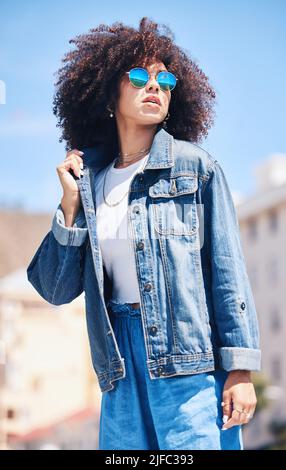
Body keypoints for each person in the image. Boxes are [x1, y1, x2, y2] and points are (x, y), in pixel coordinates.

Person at [27, 17, 261, 450]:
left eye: (164, 80)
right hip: (117, 368)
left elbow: (228, 272)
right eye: (138, 76)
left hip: (186, 361)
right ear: (108, 95)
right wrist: (69, 204)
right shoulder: (89, 182)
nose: (154, 86)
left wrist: (240, 369)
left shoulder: (197, 168)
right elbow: (55, 290)